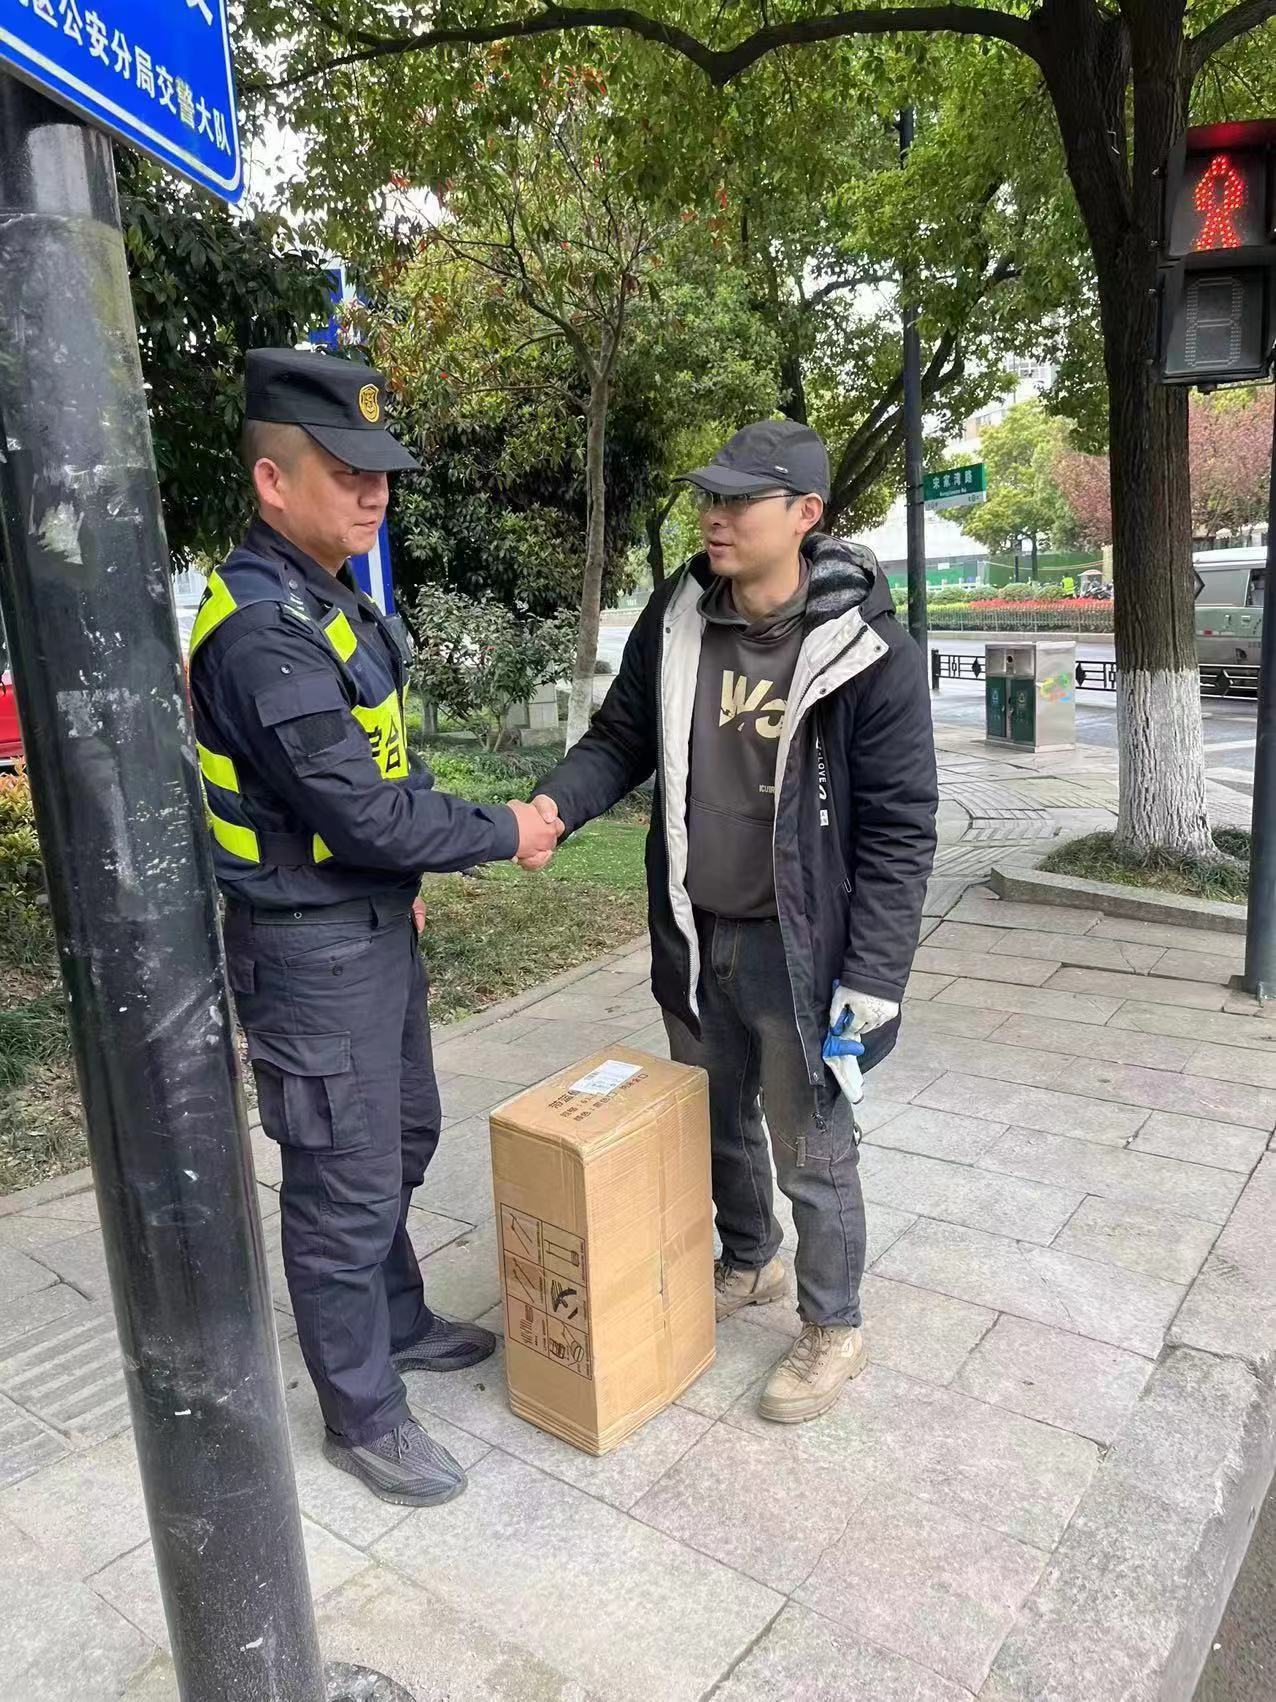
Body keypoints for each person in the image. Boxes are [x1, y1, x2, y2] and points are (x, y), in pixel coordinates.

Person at [188, 347, 561, 1504]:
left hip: (371, 929)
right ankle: (362, 1413)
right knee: (341, 1183)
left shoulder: (329, 596)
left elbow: (383, 766)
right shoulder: (260, 630)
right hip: (308, 948)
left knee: (399, 1137)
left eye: (381, 472)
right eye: (345, 472)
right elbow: (358, 812)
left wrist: (428, 852)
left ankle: (396, 1319)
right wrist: (504, 828)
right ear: (272, 481)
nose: (374, 492)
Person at [530, 419, 937, 1423]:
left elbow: (900, 829)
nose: (714, 516)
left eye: (739, 501)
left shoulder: (867, 649)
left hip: (804, 948)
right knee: (713, 1121)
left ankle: (833, 1322)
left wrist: (873, 977)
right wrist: (550, 808)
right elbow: (621, 737)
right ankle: (749, 1259)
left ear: (804, 515)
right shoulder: (678, 615)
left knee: (811, 1144)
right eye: (710, 497)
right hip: (693, 926)